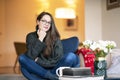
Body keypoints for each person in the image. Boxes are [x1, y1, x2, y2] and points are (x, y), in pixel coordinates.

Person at [19, 11, 80, 80]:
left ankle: (48, 76)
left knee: (71, 56)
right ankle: (51, 77)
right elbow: (31, 56)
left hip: (54, 68)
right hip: (38, 68)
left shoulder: (55, 37)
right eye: (44, 21)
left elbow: (57, 60)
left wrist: (39, 61)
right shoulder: (31, 36)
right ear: (38, 22)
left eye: (49, 22)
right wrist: (40, 38)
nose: (46, 24)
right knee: (22, 58)